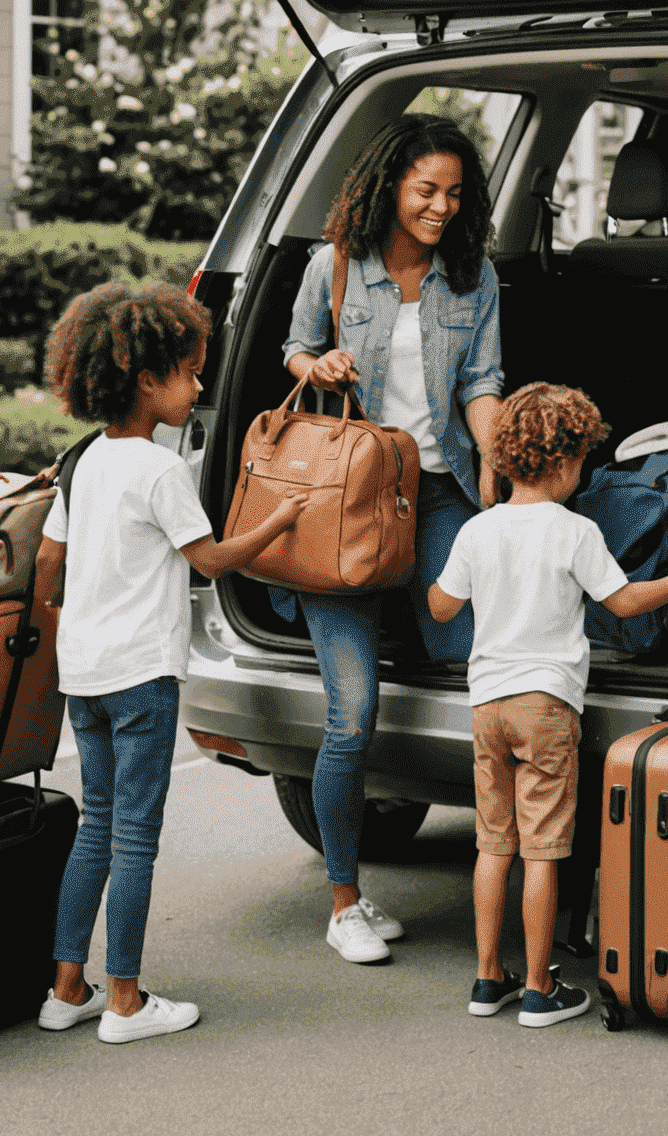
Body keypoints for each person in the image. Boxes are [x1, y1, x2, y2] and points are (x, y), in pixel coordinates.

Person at [33, 281, 308, 1044]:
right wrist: (278, 521)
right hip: (142, 678)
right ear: (147, 379)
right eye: (190, 373)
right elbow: (212, 560)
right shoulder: (160, 471)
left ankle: (66, 989)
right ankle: (124, 1002)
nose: (198, 387)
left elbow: (49, 567)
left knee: (97, 828)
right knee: (135, 839)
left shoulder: (84, 461)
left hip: (84, 674)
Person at [428, 383, 668, 1026]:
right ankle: (540, 988)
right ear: (567, 464)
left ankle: (488, 979)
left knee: (493, 845)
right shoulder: (576, 531)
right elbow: (623, 603)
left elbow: (440, 606)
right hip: (546, 705)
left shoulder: (478, 532)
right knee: (542, 851)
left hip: (486, 704)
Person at [279, 113, 504, 965]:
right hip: (345, 497)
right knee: (353, 714)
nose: (441, 208)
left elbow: (482, 380)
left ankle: (522, 865)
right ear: (387, 188)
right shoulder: (332, 267)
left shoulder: (472, 279)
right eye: (425, 192)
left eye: (453, 193)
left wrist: (494, 464)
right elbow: (295, 348)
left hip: (438, 487)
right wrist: (316, 365)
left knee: (479, 653)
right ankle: (345, 902)